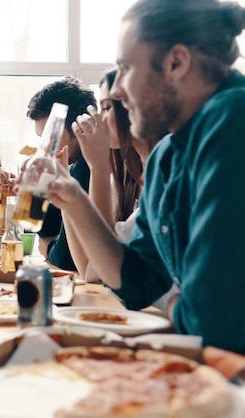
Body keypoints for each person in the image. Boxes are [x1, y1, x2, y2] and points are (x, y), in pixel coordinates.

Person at [46, 0, 245, 353]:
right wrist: (73, 199)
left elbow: (213, 322)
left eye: (124, 68)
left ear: (176, 62)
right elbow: (135, 282)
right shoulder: (167, 156)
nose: (118, 89)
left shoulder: (232, 118)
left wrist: (172, 301)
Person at [67, 69, 161, 281]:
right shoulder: (127, 177)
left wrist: (98, 167)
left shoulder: (165, 173)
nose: (98, 119)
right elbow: (90, 270)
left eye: (107, 107)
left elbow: (101, 272)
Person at [22, 77, 96, 271]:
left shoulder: (87, 171)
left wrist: (46, 247)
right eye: (42, 139)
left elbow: (65, 257)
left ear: (77, 128)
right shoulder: (70, 169)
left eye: (51, 136)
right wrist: (35, 186)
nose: (46, 147)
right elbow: (34, 227)